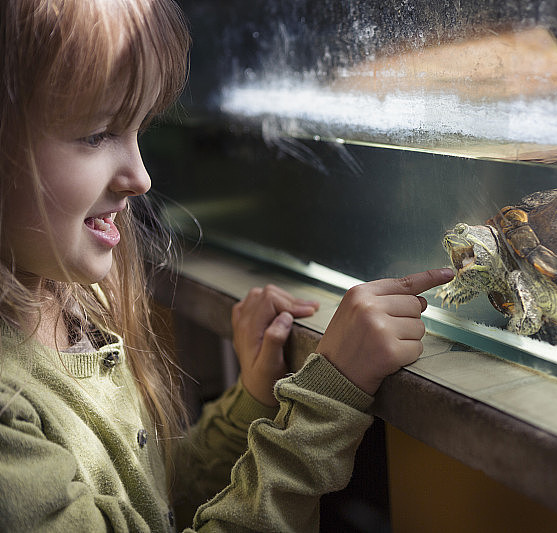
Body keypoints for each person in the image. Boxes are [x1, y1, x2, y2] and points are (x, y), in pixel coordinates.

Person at [0, 0, 454, 531]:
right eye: (97, 133)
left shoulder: (74, 297)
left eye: (139, 129)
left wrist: (255, 401)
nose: (140, 177)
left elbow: (154, 506)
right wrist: (326, 400)